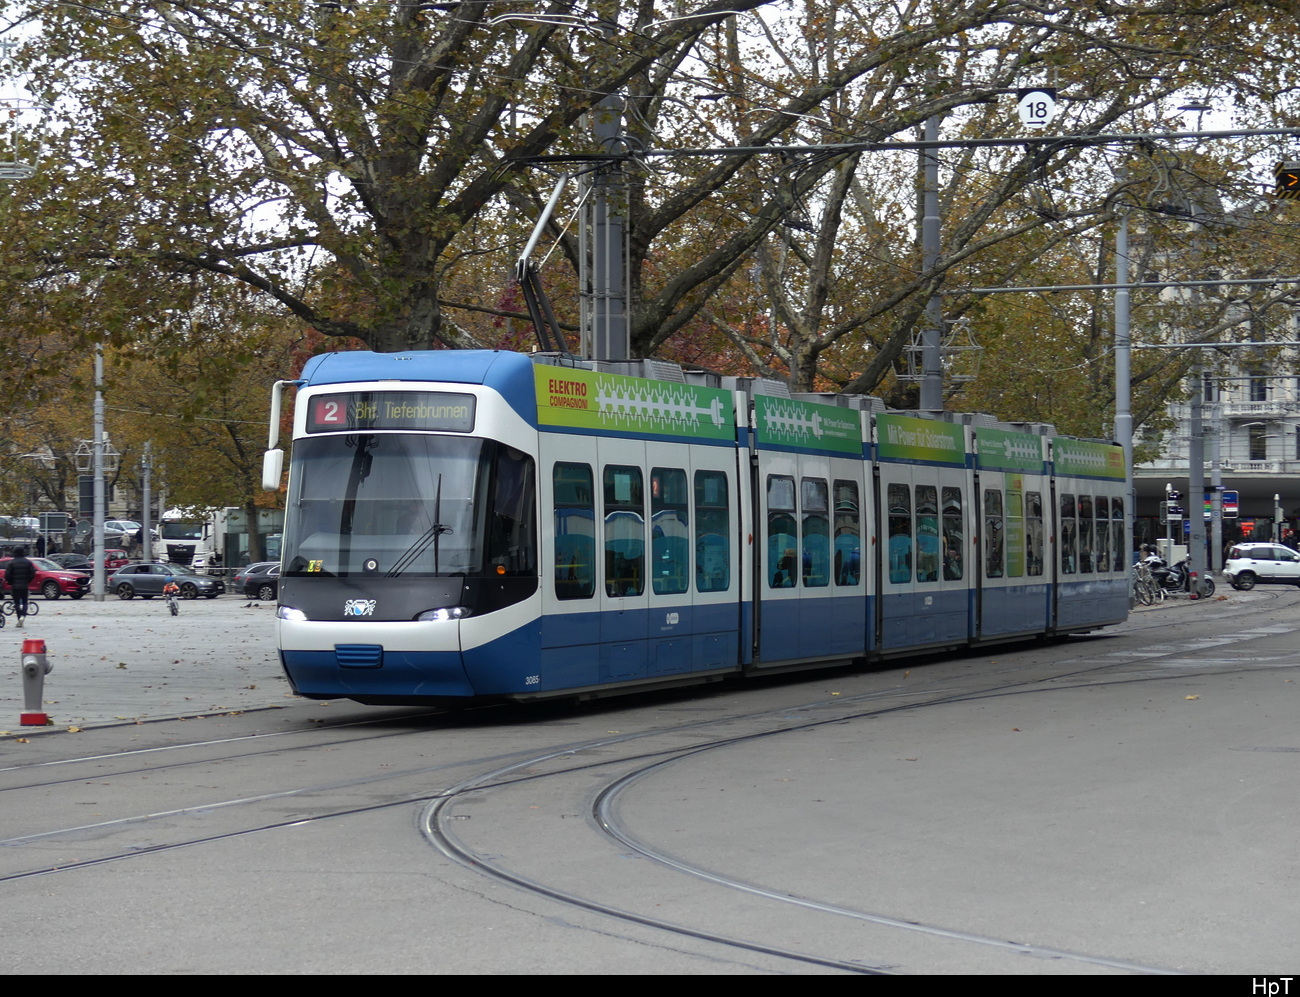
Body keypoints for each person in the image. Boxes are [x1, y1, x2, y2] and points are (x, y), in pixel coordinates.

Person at [5, 546, 36, 627]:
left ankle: (19, 618)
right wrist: (28, 580)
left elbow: (7, 575)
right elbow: (33, 573)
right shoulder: (28, 562)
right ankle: (23, 616)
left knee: (17, 603)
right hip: (24, 585)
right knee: (25, 602)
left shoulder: (11, 563)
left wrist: (10, 582)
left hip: (15, 586)